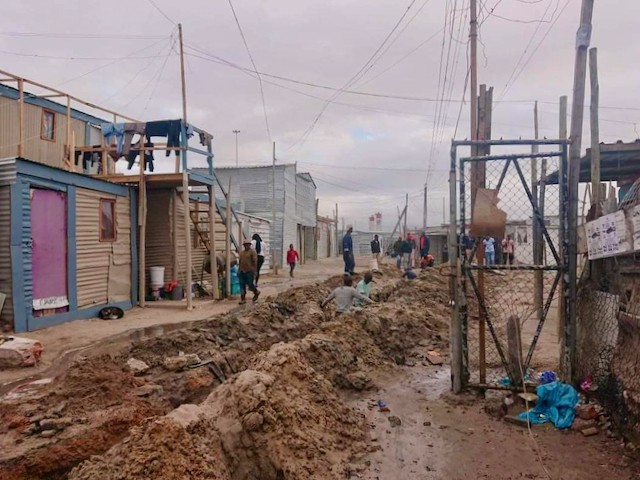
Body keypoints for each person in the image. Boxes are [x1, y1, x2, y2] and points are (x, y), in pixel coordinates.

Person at [238, 239, 260, 304]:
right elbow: (240, 262)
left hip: (249, 271)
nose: (246, 246)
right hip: (242, 271)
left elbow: (255, 261)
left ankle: (256, 292)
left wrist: (255, 271)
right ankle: (243, 299)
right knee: (242, 285)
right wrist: (239, 270)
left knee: (250, 284)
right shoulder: (242, 253)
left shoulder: (252, 252)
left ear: (250, 245)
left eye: (247, 244)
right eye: (245, 245)